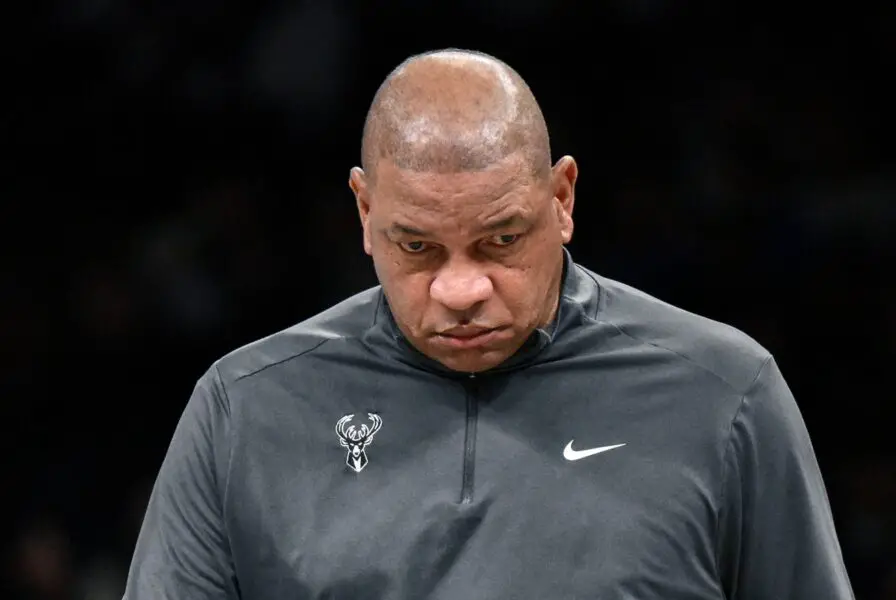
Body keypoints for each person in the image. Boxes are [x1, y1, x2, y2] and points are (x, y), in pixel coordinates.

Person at [123, 49, 854, 599]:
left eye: (501, 240)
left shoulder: (726, 395)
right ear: (365, 213)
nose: (461, 288)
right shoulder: (243, 408)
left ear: (562, 198)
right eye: (417, 247)